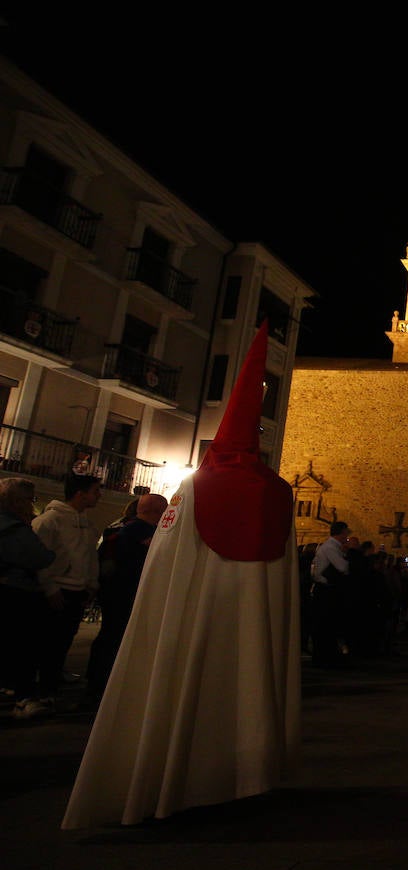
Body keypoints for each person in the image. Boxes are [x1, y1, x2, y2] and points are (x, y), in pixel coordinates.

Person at [63, 320, 301, 828]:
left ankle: (172, 780)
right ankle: (248, 773)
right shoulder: (280, 493)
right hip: (250, 627)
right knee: (249, 679)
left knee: (181, 689)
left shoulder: (193, 489)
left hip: (192, 619)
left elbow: (164, 567)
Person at [84, 492, 168, 704]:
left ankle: (97, 684)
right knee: (116, 639)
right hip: (127, 594)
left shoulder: (121, 527)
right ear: (158, 511)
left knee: (109, 637)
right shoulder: (144, 533)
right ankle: (104, 686)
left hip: (112, 592)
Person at [31, 472, 103, 706]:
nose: (99, 496)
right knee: (48, 643)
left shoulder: (86, 524)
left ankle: (50, 686)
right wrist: (50, 587)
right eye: (95, 491)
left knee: (62, 642)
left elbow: (90, 557)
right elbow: (39, 557)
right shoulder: (50, 520)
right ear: (80, 494)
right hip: (57, 591)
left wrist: (91, 584)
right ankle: (41, 691)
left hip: (77, 592)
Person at [1, 477, 57, 719]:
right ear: (17, 502)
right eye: (30, 500)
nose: (31, 505)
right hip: (16, 592)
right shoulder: (14, 528)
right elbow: (40, 557)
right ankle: (22, 699)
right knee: (23, 648)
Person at [309, 520, 352, 667]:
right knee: (326, 627)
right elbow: (343, 567)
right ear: (341, 533)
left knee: (328, 626)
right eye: (346, 532)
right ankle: (325, 658)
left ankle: (327, 656)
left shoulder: (332, 547)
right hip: (326, 592)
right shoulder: (331, 548)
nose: (348, 536)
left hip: (329, 591)